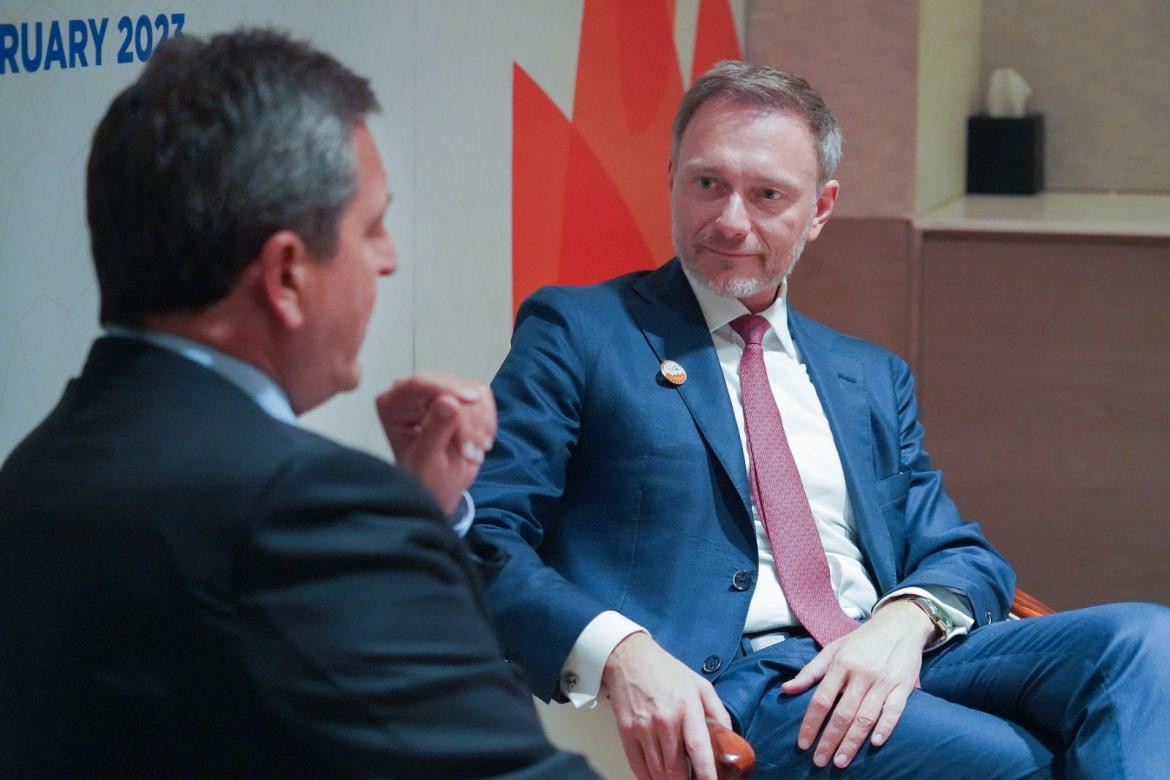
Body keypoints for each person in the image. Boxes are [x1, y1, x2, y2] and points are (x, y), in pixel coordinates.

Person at [471, 60, 1170, 779]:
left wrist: (903, 624)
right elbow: (481, 536)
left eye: (767, 194)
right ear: (672, 175)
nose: (730, 220)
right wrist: (621, 652)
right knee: (1025, 762)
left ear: (820, 209)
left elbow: (961, 551)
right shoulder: (582, 331)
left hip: (894, 653)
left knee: (1145, 642)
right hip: (748, 682)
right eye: (707, 182)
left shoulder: (867, 375)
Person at [0, 29, 594, 778]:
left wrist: (414, 520)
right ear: (285, 274)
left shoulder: (33, 471)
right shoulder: (311, 512)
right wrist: (393, 529)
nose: (389, 257)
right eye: (371, 225)